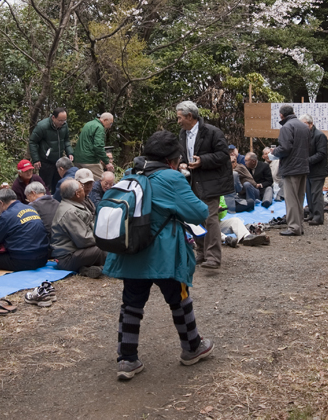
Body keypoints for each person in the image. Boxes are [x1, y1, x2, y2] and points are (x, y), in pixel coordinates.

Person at [103, 130, 214, 380]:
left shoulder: (130, 174)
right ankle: (192, 347)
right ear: (172, 159)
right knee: (180, 299)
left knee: (131, 304)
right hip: (165, 254)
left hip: (131, 251)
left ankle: (127, 359)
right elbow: (198, 213)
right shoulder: (171, 178)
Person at [176, 100, 232, 270]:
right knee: (194, 216)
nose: (178, 121)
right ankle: (201, 252)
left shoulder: (212, 132)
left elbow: (223, 155)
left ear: (189, 116)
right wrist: (184, 163)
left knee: (210, 217)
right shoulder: (182, 134)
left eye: (180, 118)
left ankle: (213, 256)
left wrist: (203, 161)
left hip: (211, 182)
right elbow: (184, 154)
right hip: (192, 181)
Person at [0, 189, 49, 272]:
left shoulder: (6, 215)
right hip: (43, 258)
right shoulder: (30, 208)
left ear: (1, 203)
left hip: (22, 260)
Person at [51, 180, 106, 276]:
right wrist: (103, 238)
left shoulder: (75, 205)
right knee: (104, 249)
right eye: (82, 188)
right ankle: (107, 268)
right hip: (67, 258)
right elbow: (84, 240)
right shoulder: (70, 212)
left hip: (77, 252)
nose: (84, 190)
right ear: (77, 194)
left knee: (106, 246)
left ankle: (86, 269)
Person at [273, 105, 310, 237]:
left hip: (291, 167)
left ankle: (294, 227)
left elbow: (285, 148)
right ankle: (299, 225)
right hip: (303, 166)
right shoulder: (304, 127)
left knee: (291, 199)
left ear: (281, 115)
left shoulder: (286, 127)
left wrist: (274, 152)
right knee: (299, 198)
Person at [29, 107, 74, 193]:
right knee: (45, 187)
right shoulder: (42, 126)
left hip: (59, 162)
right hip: (45, 161)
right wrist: (36, 159)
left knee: (58, 186)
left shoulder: (64, 125)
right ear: (53, 117)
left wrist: (70, 152)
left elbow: (66, 140)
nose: (62, 123)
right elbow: (33, 142)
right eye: (60, 120)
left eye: (64, 120)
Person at [300, 114, 328, 226]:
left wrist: (307, 160)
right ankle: (312, 214)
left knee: (316, 194)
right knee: (309, 194)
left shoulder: (320, 135)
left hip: (318, 170)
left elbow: (321, 154)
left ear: (311, 124)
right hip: (308, 170)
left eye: (304, 124)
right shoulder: (305, 135)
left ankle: (318, 216)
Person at [75, 113, 115, 177]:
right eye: (110, 123)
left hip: (78, 159)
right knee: (103, 180)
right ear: (105, 120)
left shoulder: (89, 124)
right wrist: (107, 162)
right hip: (89, 160)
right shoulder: (99, 127)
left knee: (83, 181)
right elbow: (98, 146)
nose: (110, 126)